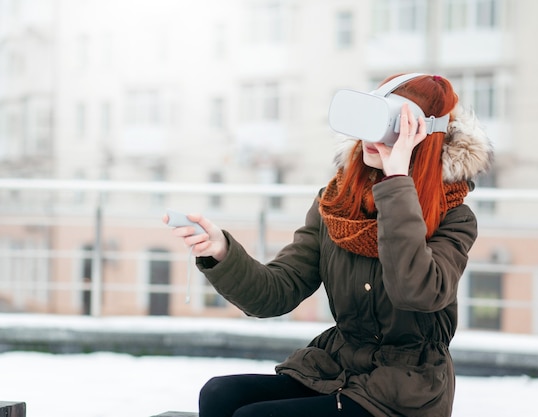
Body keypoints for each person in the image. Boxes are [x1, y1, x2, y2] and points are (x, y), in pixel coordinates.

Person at [164, 73, 492, 417]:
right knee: (219, 394)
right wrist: (221, 252)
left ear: (422, 135)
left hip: (405, 391)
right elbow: (277, 292)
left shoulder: (453, 217)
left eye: (392, 124)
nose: (372, 135)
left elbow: (417, 292)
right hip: (338, 368)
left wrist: (397, 180)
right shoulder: (337, 205)